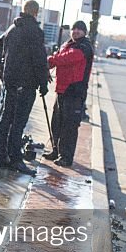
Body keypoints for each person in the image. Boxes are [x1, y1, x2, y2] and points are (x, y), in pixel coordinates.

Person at [0, 0, 50, 175]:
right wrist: (43, 83)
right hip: (26, 85)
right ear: (36, 13)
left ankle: (1, 157)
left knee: (6, 120)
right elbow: (39, 60)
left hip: (10, 83)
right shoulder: (35, 32)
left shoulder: (12, 29)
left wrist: (3, 69)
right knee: (18, 123)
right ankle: (16, 159)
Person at [45, 20, 94, 167]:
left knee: (69, 127)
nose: (76, 31)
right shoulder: (67, 45)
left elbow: (67, 58)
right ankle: (55, 150)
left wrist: (49, 60)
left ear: (85, 32)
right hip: (61, 90)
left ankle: (66, 157)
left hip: (74, 92)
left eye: (79, 29)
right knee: (56, 123)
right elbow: (60, 57)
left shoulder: (84, 47)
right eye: (74, 29)